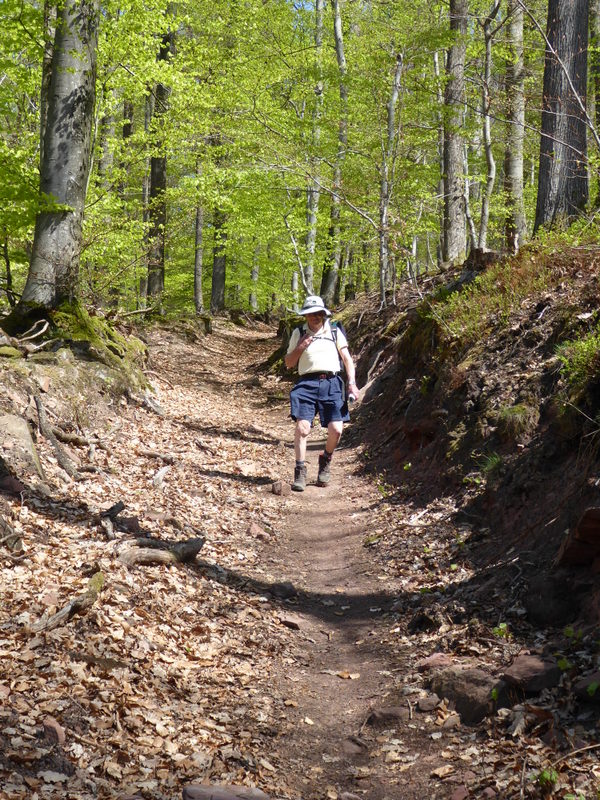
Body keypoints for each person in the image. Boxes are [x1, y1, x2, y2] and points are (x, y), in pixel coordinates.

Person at [284, 295, 360, 492]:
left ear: (323, 314)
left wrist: (351, 383)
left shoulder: (334, 331)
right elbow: (289, 363)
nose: (315, 317)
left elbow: (347, 359)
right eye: (311, 314)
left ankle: (325, 459)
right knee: (302, 428)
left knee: (337, 429)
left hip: (333, 383)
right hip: (306, 383)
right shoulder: (298, 332)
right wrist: (301, 346)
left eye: (318, 313)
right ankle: (300, 470)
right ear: (306, 316)